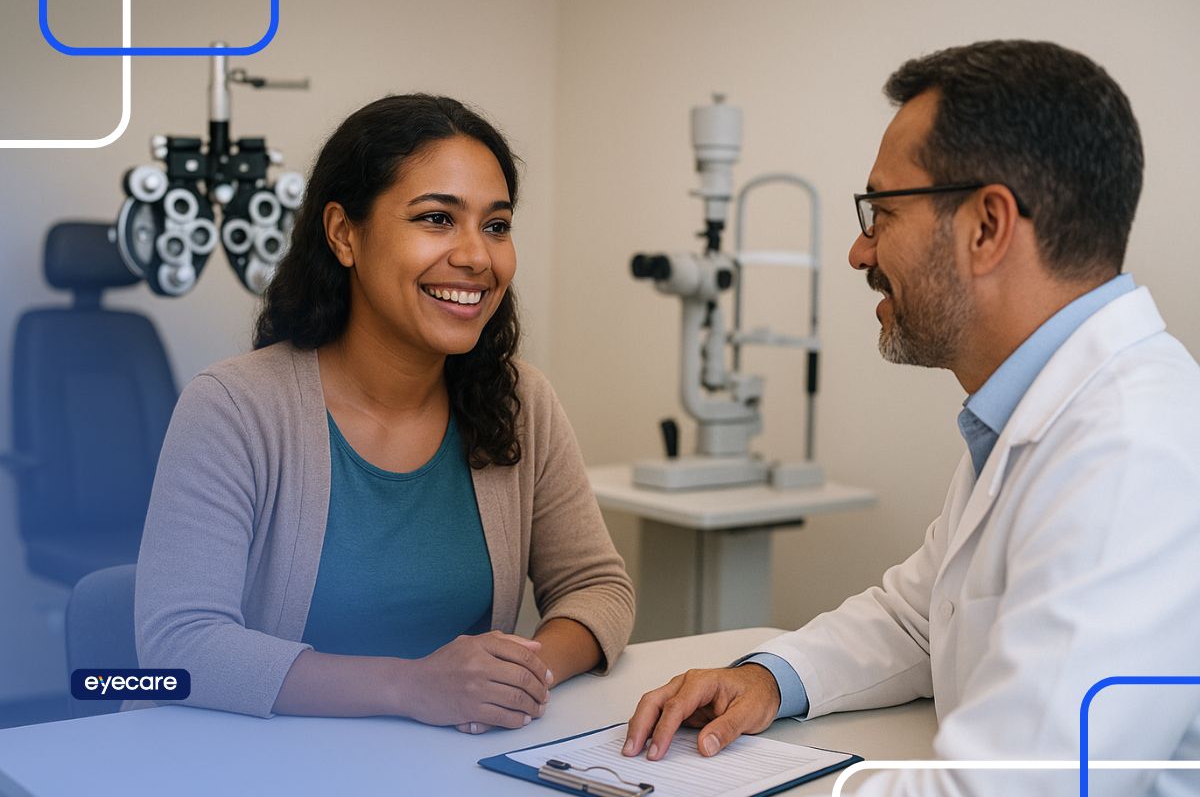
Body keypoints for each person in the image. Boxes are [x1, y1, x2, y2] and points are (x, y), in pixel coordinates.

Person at [623, 40, 1200, 796]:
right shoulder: (1034, 414)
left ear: (986, 227)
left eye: (881, 213)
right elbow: (921, 619)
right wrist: (769, 678)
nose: (859, 252)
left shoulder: (1133, 453)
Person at [135, 94, 635, 733]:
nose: (477, 256)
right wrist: (413, 687)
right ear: (344, 233)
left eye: (496, 225)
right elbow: (177, 649)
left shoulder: (521, 403)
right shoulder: (234, 407)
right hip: (256, 764)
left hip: (445, 766)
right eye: (437, 218)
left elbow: (598, 589)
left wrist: (515, 678)